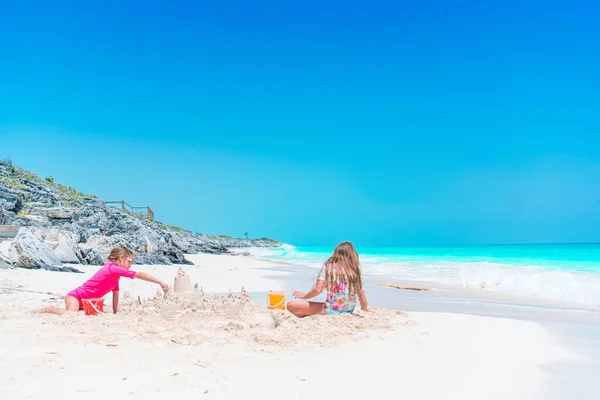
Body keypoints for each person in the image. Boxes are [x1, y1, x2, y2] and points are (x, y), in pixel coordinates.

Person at [42, 245, 169, 315]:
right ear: (121, 259)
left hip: (89, 303)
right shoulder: (112, 268)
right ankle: (47, 309)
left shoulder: (115, 277)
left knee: (103, 311)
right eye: (129, 262)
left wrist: (115, 311)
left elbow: (115, 294)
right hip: (76, 297)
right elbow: (139, 274)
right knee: (70, 314)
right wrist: (160, 282)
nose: (130, 265)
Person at [287, 241, 368, 317]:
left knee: (290, 305)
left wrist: (305, 296)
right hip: (348, 311)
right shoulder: (354, 271)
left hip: (329, 310)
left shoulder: (328, 267)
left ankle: (308, 314)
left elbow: (317, 290)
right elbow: (361, 294)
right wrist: (365, 308)